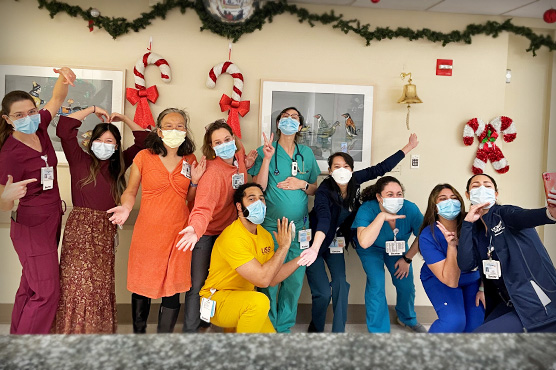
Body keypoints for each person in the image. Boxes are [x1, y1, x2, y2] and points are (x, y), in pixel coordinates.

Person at [298, 134, 419, 333]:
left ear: (352, 170)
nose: (341, 170)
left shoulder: (355, 181)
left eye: (346, 166)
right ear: (329, 171)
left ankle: (338, 332)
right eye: (336, 167)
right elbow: (324, 220)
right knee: (321, 292)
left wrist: (408, 147)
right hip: (316, 242)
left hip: (336, 242)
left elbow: (380, 168)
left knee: (341, 285)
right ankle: (317, 328)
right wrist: (313, 249)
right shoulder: (323, 191)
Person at [107, 108, 206, 334]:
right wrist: (125, 207)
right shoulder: (144, 157)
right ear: (159, 131)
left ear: (186, 130)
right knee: (142, 285)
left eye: (180, 125)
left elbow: (189, 200)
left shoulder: (190, 159)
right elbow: (130, 191)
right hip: (148, 233)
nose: (175, 129)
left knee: (172, 289)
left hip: (179, 233)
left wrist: (194, 183)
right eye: (169, 126)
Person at [53, 107, 148, 334]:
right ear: (91, 141)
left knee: (99, 284)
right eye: (99, 139)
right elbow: (64, 129)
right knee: (74, 282)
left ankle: (96, 333)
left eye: (110, 141)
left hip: (106, 228)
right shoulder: (78, 159)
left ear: (116, 146)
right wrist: (92, 109)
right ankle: (70, 333)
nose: (103, 145)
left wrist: (123, 118)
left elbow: (145, 141)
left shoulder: (119, 164)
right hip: (79, 228)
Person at [0, 67, 76, 334]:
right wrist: (6, 198)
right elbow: (3, 202)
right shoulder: (9, 153)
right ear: (7, 119)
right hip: (31, 225)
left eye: (31, 111)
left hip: (51, 217)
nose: (28, 118)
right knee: (46, 292)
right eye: (19, 115)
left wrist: (63, 78)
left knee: (31, 285)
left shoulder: (41, 126)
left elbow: (56, 99)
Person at [175, 119, 257, 332]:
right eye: (217, 142)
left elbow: (238, 176)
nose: (224, 145)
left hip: (228, 233)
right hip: (206, 233)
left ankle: (211, 323)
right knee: (198, 285)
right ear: (211, 147)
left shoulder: (239, 157)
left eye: (227, 139)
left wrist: (246, 164)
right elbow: (202, 208)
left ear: (234, 139)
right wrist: (195, 229)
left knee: (222, 283)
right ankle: (191, 333)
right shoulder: (212, 174)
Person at [248, 107, 320, 332]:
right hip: (270, 226)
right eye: (285, 117)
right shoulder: (264, 151)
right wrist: (267, 159)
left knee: (294, 280)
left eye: (295, 118)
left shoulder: (306, 154)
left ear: (300, 127)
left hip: (299, 228)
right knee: (268, 278)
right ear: (278, 123)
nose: (289, 120)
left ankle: (284, 326)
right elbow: (258, 186)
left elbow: (315, 189)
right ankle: (267, 325)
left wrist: (303, 184)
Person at [458, 173, 556, 333]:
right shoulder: (475, 229)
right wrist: (467, 224)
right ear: (468, 195)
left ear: (495, 194)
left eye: (487, 185)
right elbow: (466, 264)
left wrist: (549, 214)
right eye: (475, 186)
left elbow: (525, 217)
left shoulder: (504, 214)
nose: (481, 188)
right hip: (507, 301)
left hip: (534, 301)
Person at [199, 183, 301, 333]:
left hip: (243, 300)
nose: (258, 203)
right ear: (239, 207)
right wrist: (284, 247)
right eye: (252, 199)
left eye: (261, 199)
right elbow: (263, 280)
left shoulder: (265, 235)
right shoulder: (233, 237)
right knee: (260, 301)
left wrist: (301, 259)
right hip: (216, 300)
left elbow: (272, 278)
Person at [351, 176, 426, 333]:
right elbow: (364, 241)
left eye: (399, 194)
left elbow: (424, 236)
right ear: (379, 197)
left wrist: (407, 259)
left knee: (405, 284)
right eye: (390, 194)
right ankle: (379, 331)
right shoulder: (368, 209)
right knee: (376, 284)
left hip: (397, 250)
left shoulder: (410, 209)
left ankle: (407, 318)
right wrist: (381, 217)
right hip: (371, 249)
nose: (396, 198)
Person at [418, 184, 485, 333]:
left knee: (476, 326)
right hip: (441, 279)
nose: (450, 202)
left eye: (454, 198)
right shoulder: (428, 236)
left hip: (472, 279)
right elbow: (451, 281)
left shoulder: (473, 223)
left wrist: (483, 287)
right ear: (435, 207)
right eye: (443, 199)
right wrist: (452, 247)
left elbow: (488, 256)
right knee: (454, 322)